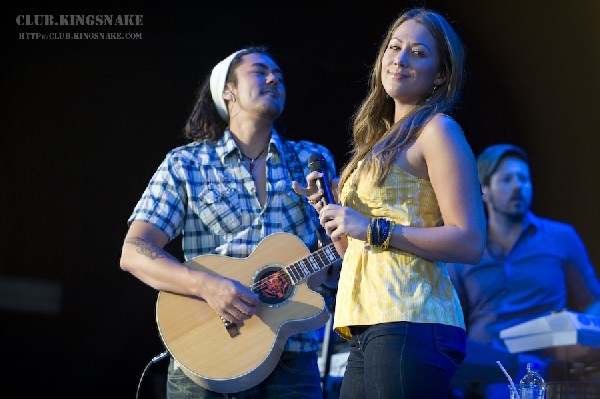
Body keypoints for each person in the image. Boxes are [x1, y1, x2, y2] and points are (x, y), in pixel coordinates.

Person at [119, 46, 339, 399]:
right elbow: (134, 250)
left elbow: (335, 253)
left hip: (293, 355)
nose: (273, 79)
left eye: (279, 76)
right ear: (227, 90)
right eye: (260, 71)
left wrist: (336, 257)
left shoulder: (311, 160)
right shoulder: (187, 163)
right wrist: (207, 286)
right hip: (210, 354)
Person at [293, 8, 486, 398]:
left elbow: (469, 241)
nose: (400, 59)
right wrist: (330, 215)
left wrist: (369, 226)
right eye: (394, 48)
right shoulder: (374, 145)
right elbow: (353, 253)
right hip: (365, 324)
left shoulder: (438, 131)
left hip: (412, 319)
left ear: (441, 74)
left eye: (418, 53)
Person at [447, 143, 600, 399]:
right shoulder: (465, 247)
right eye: (506, 180)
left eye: (523, 178)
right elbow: (451, 320)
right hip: (484, 369)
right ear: (484, 190)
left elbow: (593, 301)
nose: (518, 186)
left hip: (547, 363)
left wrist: (579, 339)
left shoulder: (561, 237)